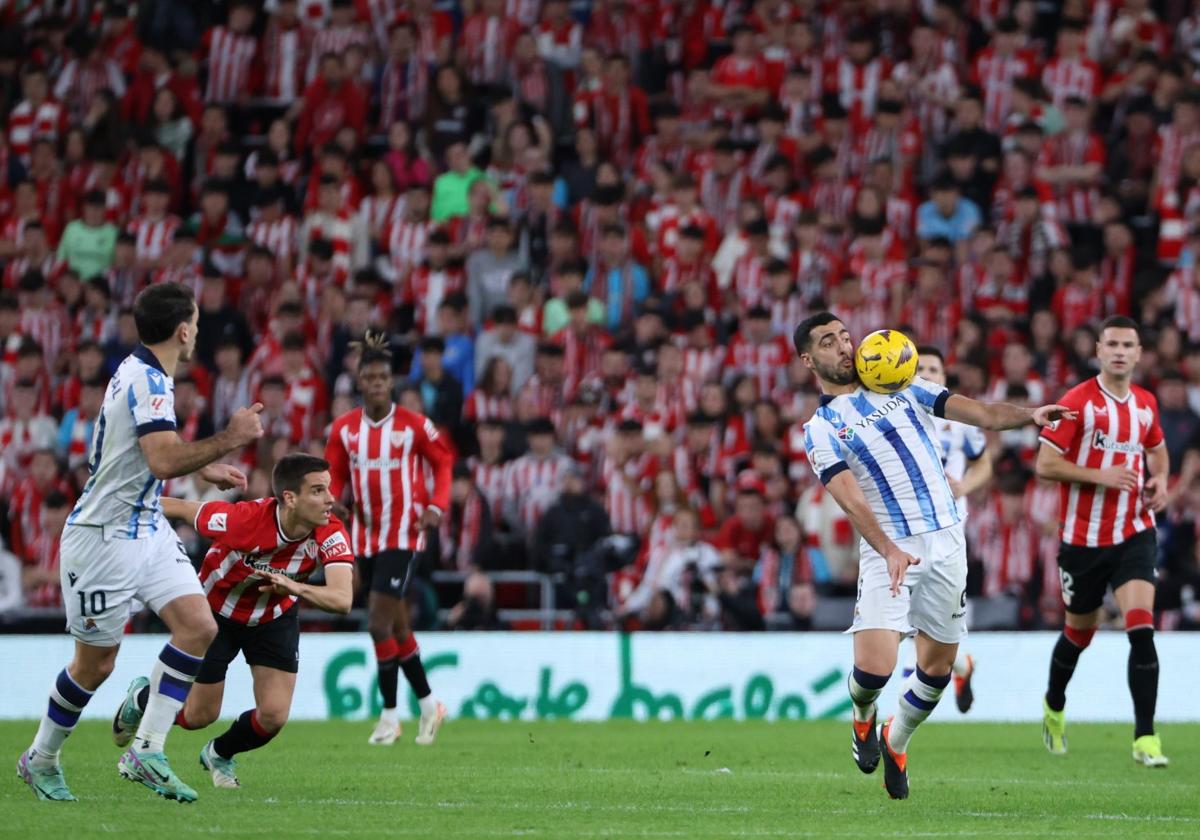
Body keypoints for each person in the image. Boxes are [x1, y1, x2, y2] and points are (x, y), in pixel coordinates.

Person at [794, 312, 1071, 800]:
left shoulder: (902, 384)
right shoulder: (821, 428)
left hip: (946, 542)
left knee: (938, 669)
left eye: (844, 336)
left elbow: (981, 413)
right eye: (828, 342)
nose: (843, 346)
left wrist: (1029, 415)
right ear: (808, 360)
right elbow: (849, 499)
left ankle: (896, 741)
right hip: (889, 550)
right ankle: (862, 715)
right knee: (874, 672)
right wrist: (888, 549)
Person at [17, 282, 264, 803]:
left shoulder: (141, 370)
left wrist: (204, 465)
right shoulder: (149, 381)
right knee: (95, 666)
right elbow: (162, 459)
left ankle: (146, 750)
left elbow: (149, 452)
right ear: (183, 331)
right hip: (102, 539)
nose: (198, 331)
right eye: (195, 322)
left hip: (146, 525)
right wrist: (231, 437)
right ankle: (40, 758)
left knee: (198, 626)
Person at [115, 454, 354, 790]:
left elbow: (343, 599)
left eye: (328, 489)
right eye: (318, 491)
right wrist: (119, 510)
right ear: (290, 498)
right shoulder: (243, 519)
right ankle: (141, 698)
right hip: (216, 613)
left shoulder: (330, 531)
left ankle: (219, 754)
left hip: (274, 615)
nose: (330, 499)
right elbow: (182, 508)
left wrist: (294, 587)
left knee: (274, 716)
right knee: (199, 716)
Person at [1035, 315, 1170, 767]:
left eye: (1127, 345)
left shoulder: (1146, 404)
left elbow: (1158, 452)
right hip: (1082, 540)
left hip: (1134, 531)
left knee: (1141, 629)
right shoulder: (1077, 402)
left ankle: (1146, 738)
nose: (1119, 352)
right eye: (1111, 344)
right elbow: (1045, 465)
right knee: (1079, 633)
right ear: (1098, 350)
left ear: (1139, 353)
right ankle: (1054, 704)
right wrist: (1101, 476)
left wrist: (1161, 481)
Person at [325, 332, 454, 747]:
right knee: (397, 627)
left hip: (404, 534)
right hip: (364, 537)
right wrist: (333, 499)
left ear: (392, 381)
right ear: (360, 382)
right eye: (370, 377)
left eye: (383, 377)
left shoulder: (415, 425)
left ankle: (389, 717)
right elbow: (333, 473)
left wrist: (436, 505)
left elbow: (444, 462)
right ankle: (430, 706)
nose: (378, 383)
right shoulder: (344, 430)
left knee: (378, 624)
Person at [914, 346, 994, 713]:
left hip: (948, 530)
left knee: (933, 622)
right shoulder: (894, 417)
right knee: (911, 619)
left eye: (934, 369)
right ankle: (959, 666)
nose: (927, 374)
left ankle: (951, 670)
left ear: (944, 379)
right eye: (920, 368)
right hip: (906, 528)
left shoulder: (960, 420)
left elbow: (983, 465)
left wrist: (964, 487)